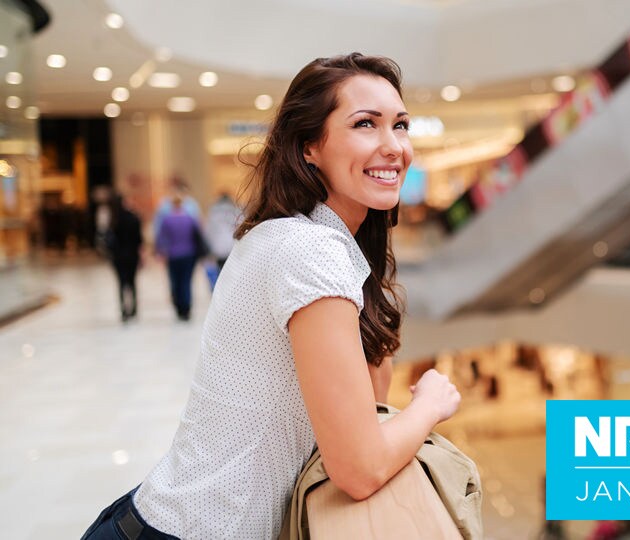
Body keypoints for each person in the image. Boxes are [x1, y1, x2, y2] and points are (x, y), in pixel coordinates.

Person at [82, 53, 461, 539]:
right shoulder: (309, 250)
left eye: (401, 125)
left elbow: (365, 402)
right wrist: (430, 404)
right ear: (309, 147)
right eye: (365, 124)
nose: (394, 146)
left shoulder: (286, 234)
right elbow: (360, 468)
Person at [155, 193, 202, 321]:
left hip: (173, 255)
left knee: (175, 281)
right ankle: (186, 307)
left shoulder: (167, 219)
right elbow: (198, 235)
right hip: (189, 254)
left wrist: (159, 251)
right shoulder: (190, 219)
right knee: (186, 281)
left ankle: (178, 306)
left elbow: (161, 237)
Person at [106, 195, 143, 322]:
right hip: (132, 256)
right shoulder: (133, 218)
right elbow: (139, 240)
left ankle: (124, 310)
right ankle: (133, 308)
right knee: (132, 283)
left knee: (121, 284)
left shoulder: (113, 220)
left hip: (118, 257)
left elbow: (108, 241)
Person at [204, 191, 243, 271]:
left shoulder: (214, 212)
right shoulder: (236, 210)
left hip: (218, 248)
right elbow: (241, 227)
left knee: (220, 272)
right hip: (232, 246)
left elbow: (209, 231)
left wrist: (210, 249)